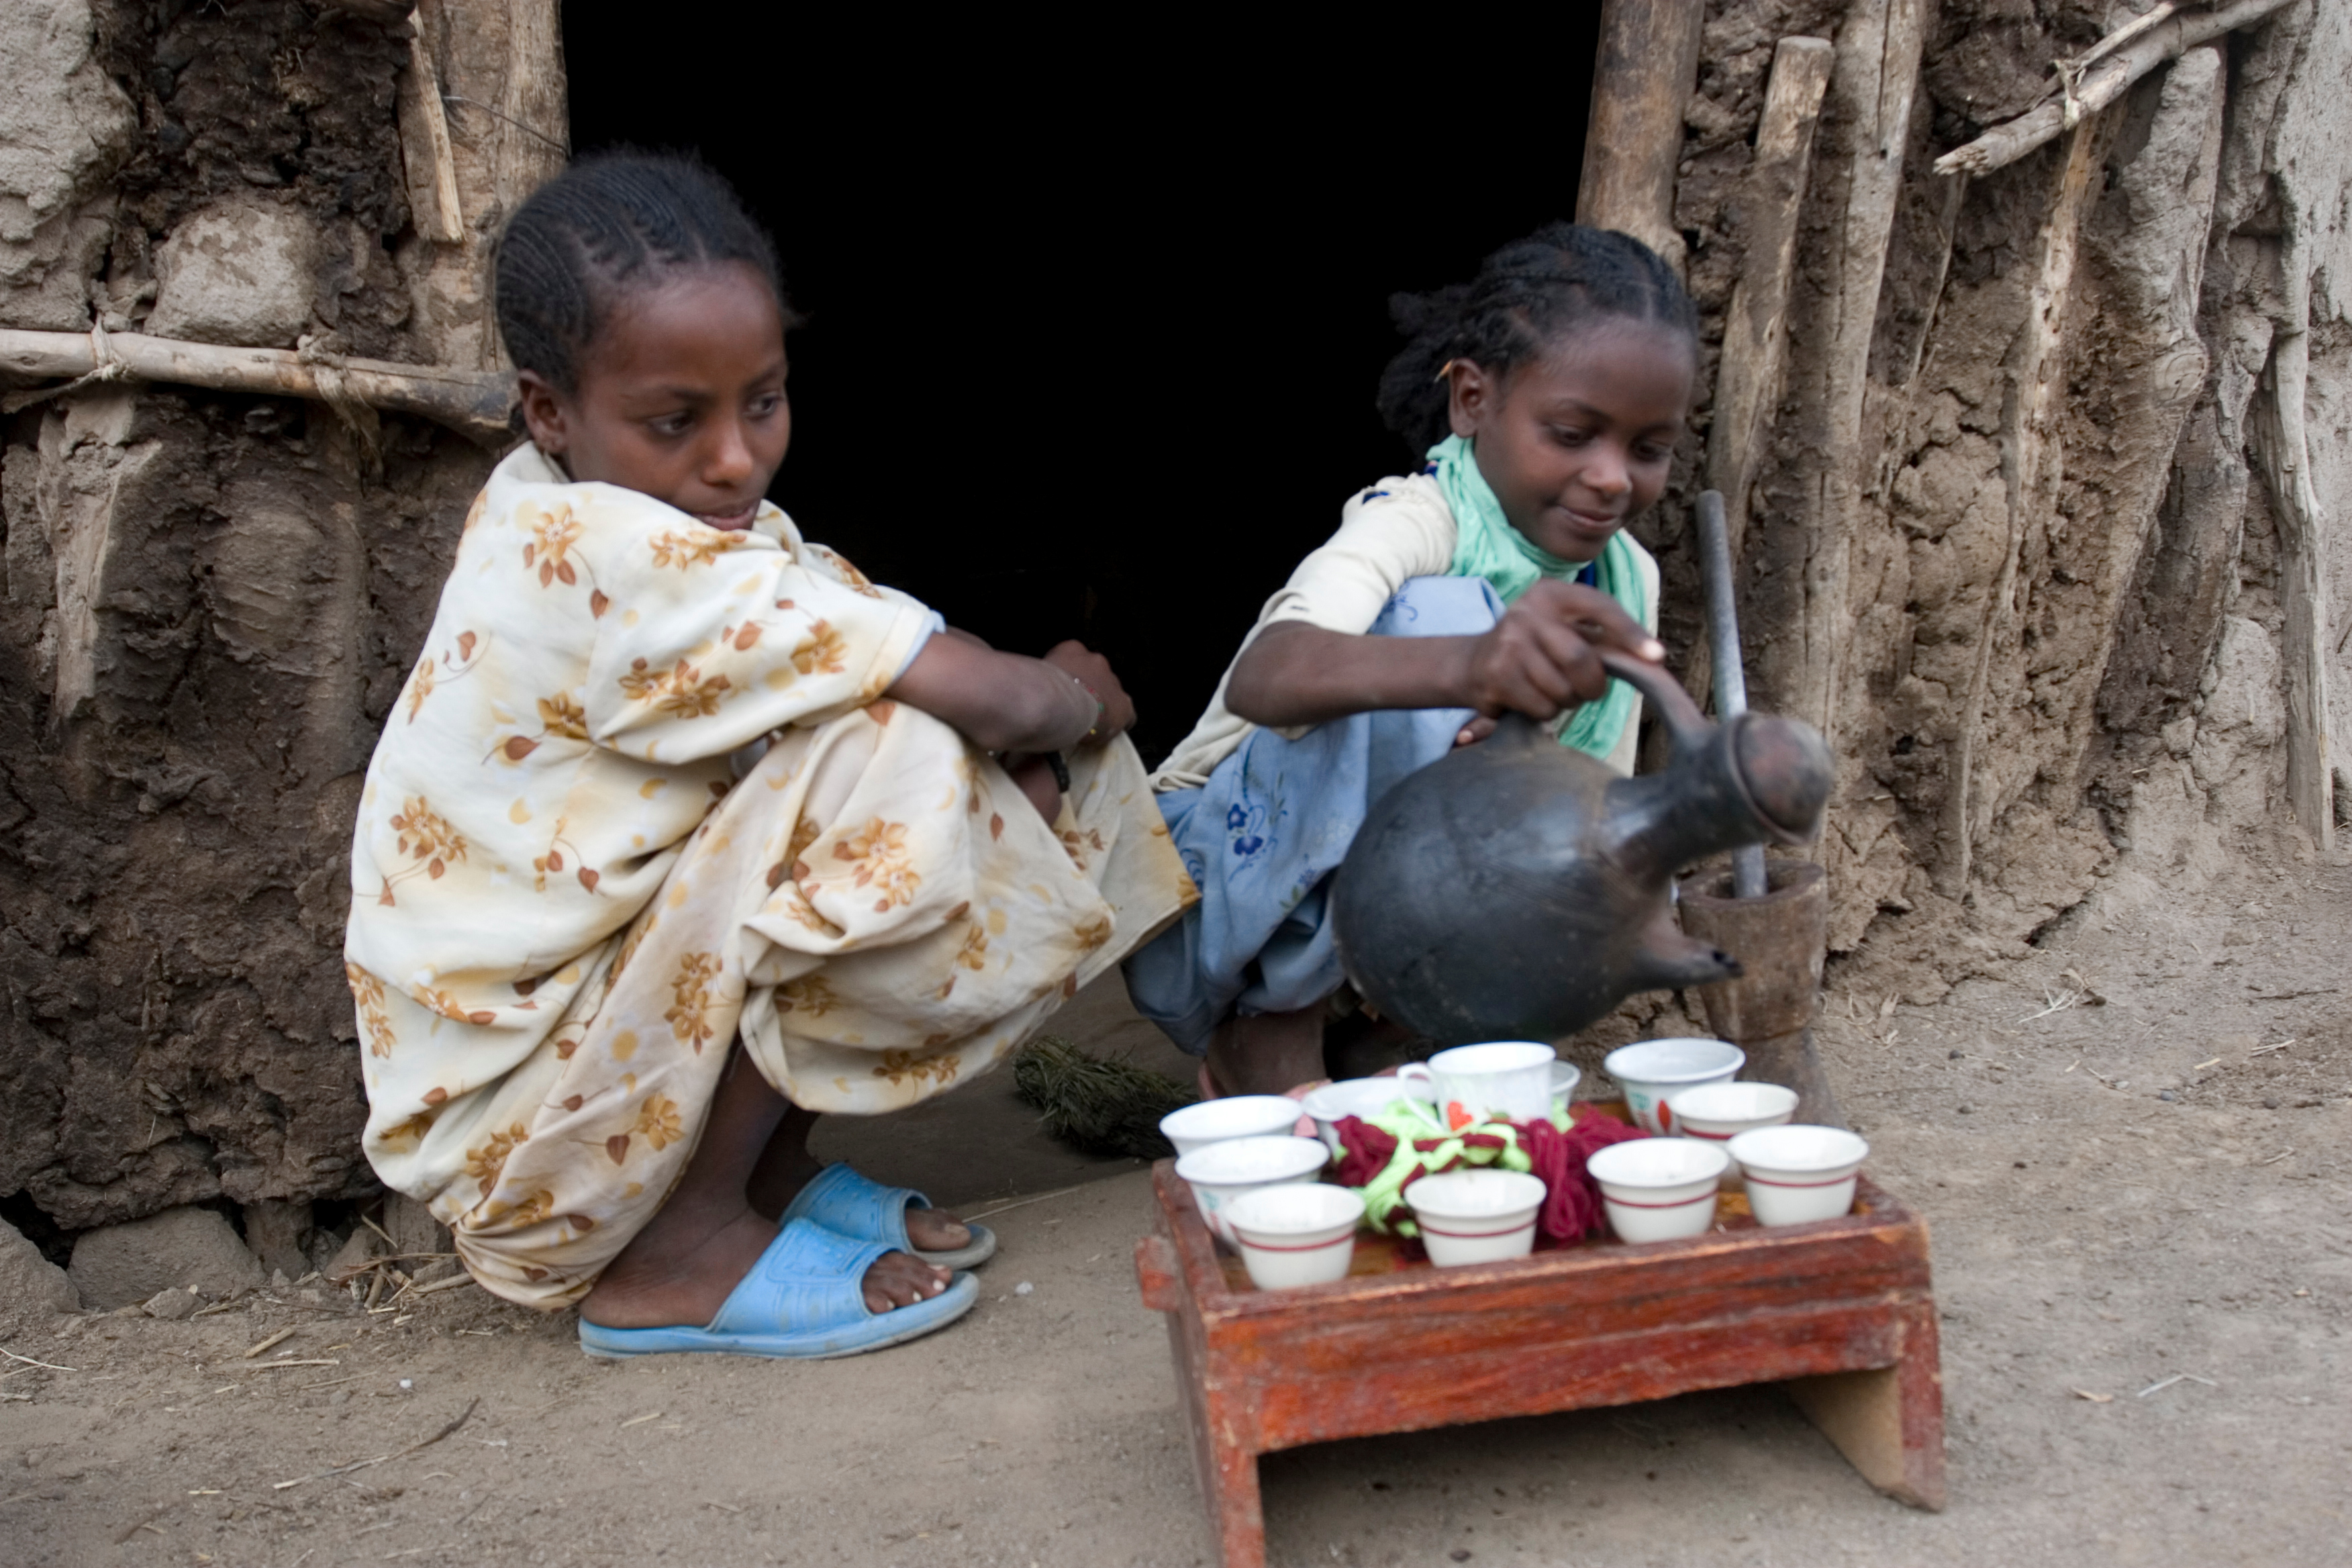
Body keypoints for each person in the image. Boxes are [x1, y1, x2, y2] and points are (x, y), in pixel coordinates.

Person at [343, 152, 1191, 1359]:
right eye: (675, 421)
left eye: (765, 400)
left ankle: (762, 1178)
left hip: (583, 1070)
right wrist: (1076, 693)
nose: (737, 458)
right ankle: (673, 1249)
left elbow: (880, 642)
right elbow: (982, 696)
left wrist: (1020, 751)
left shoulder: (587, 502)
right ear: (549, 409)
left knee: (929, 770)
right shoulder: (610, 556)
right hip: (523, 1143)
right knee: (896, 761)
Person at [1124, 222, 1694, 1097]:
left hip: (1391, 904)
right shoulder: (1416, 520)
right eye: (1574, 433)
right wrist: (1469, 666)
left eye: (1647, 450)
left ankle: (1381, 1038)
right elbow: (1267, 678)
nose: (1614, 477)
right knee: (1433, 624)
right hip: (1208, 885)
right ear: (1472, 399)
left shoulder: (1624, 583)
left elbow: (1587, 808)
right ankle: (1269, 1031)